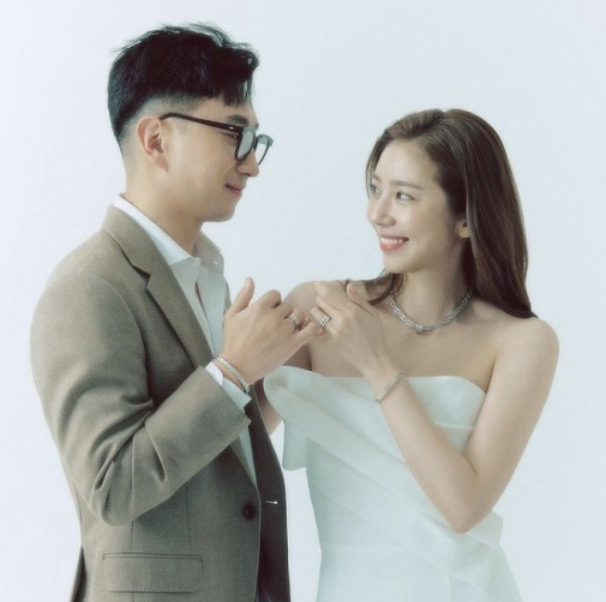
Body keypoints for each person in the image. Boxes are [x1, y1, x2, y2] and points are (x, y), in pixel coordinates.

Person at [30, 23, 318, 602]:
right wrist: (232, 371)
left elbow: (208, 447)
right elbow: (112, 486)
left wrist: (280, 368)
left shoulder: (204, 275)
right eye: (235, 133)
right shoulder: (88, 288)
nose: (252, 164)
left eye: (256, 140)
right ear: (156, 139)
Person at [262, 108, 558, 602]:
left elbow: (464, 509)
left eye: (403, 195)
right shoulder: (319, 308)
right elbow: (233, 452)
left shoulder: (523, 342)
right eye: (375, 189)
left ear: (465, 218)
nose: (378, 213)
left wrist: (376, 364)